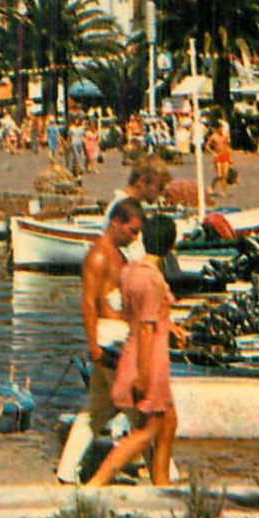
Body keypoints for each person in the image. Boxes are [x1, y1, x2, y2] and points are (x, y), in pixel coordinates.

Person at [55, 199, 146, 484]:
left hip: (119, 337)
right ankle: (162, 472)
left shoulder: (118, 254)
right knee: (141, 410)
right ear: (116, 221)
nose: (135, 237)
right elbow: (89, 303)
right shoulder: (98, 256)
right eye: (132, 230)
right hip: (108, 339)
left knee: (95, 411)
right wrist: (93, 345)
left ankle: (67, 472)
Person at [88, 213, 182, 487]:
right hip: (148, 357)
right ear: (170, 247)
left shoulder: (131, 271)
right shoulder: (152, 280)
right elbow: (145, 328)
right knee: (148, 430)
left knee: (168, 422)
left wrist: (170, 326)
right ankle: (97, 481)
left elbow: (139, 315)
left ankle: (162, 481)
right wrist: (142, 374)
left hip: (136, 350)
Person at [206, 119, 233, 200]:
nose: (222, 130)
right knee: (219, 175)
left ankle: (223, 191)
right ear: (217, 129)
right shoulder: (214, 136)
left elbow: (228, 146)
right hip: (218, 156)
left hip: (225, 155)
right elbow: (207, 146)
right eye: (220, 128)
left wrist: (230, 157)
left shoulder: (225, 136)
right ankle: (212, 187)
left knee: (225, 175)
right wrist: (213, 153)